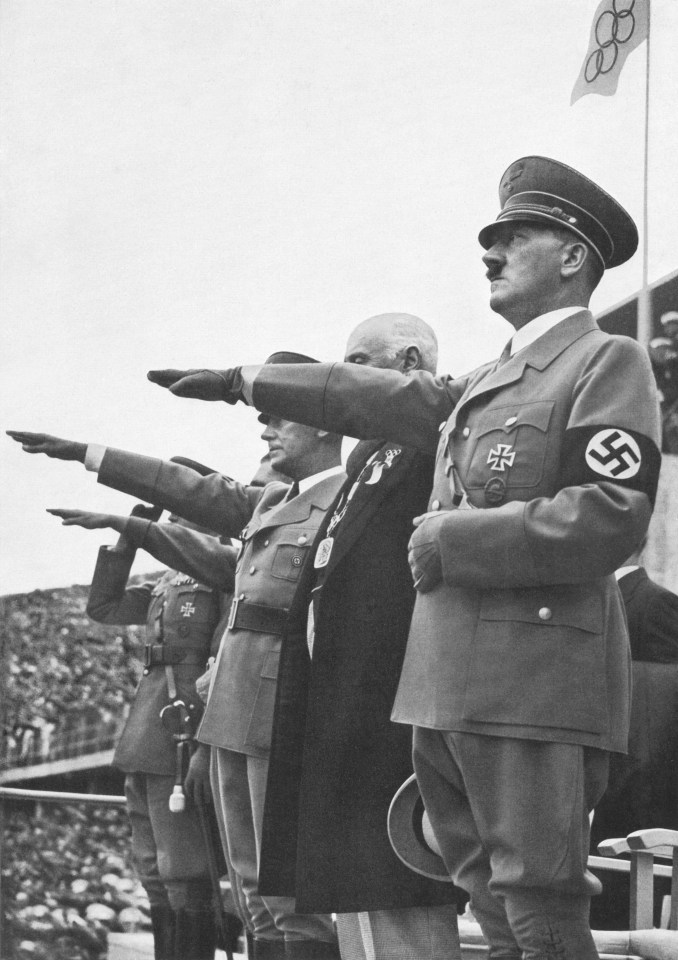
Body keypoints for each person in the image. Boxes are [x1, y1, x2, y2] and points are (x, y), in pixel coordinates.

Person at [146, 156, 662, 959]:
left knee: (540, 906)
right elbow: (383, 398)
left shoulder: (606, 362)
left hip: (532, 685)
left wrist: (452, 537)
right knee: (488, 897)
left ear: (571, 257)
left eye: (512, 236)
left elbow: (611, 515)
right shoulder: (491, 378)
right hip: (445, 688)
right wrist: (248, 381)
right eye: (489, 239)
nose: (489, 252)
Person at [9, 353, 346, 960]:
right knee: (247, 888)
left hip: (249, 713)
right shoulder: (269, 513)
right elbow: (111, 602)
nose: (265, 432)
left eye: (280, 420)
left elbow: (231, 598)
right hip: (219, 717)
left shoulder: (335, 504)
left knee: (259, 888)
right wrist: (114, 505)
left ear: (324, 426)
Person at [255, 315, 461, 960]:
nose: (341, 379)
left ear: (408, 363)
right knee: (353, 903)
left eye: (355, 362)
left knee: (398, 889)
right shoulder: (371, 456)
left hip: (390, 699)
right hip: (342, 699)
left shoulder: (437, 435)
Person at [49, 484, 239, 960]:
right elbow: (104, 607)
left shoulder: (226, 568)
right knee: (153, 871)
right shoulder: (170, 579)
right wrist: (126, 540)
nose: (170, 517)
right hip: (146, 732)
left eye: (178, 508)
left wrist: (204, 741)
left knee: (186, 872)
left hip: (184, 728)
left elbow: (224, 662)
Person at [589, 545, 678, 929]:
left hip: (637, 797)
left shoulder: (656, 604)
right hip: (601, 779)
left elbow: (662, 706)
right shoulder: (591, 601)